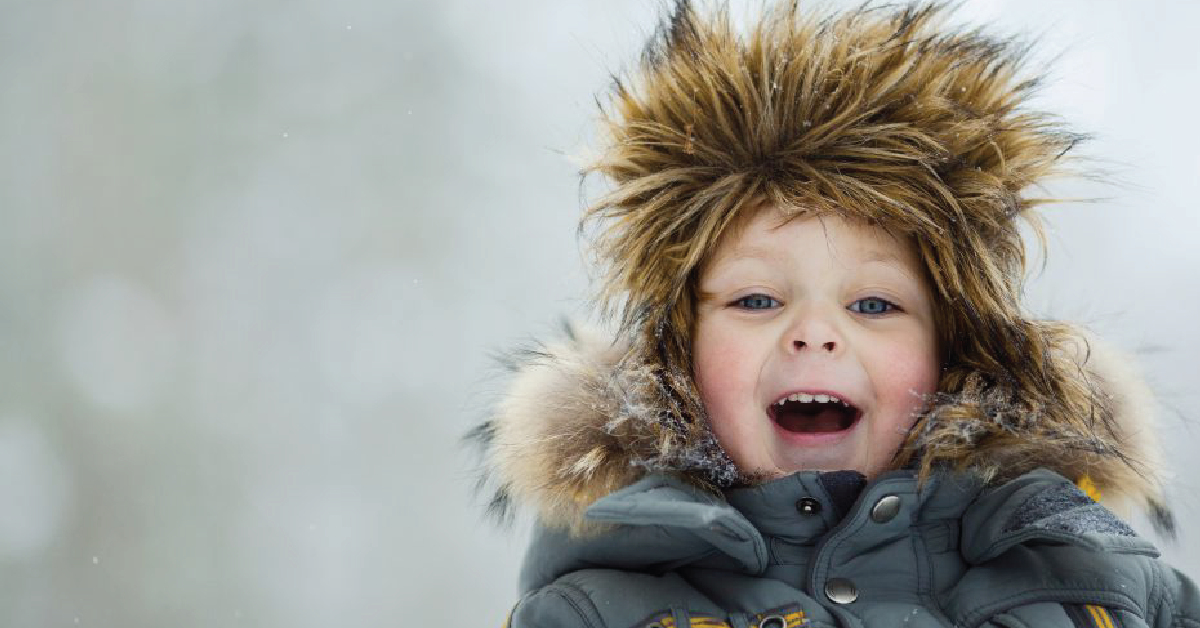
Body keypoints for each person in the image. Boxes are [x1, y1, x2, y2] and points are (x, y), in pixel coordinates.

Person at [467, 2, 1200, 626]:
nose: (814, 332)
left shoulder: (1097, 585)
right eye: (757, 300)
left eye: (874, 304)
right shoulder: (598, 606)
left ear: (957, 350)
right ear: (677, 352)